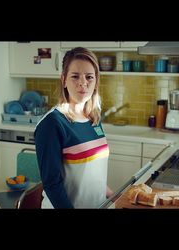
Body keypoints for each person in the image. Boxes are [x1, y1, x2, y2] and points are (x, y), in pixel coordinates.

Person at [35, 47, 113, 208]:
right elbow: (52, 184)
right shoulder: (52, 123)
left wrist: (114, 196)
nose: (83, 83)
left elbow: (93, 173)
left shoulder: (93, 118)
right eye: (75, 76)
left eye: (89, 77)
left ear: (96, 81)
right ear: (63, 79)